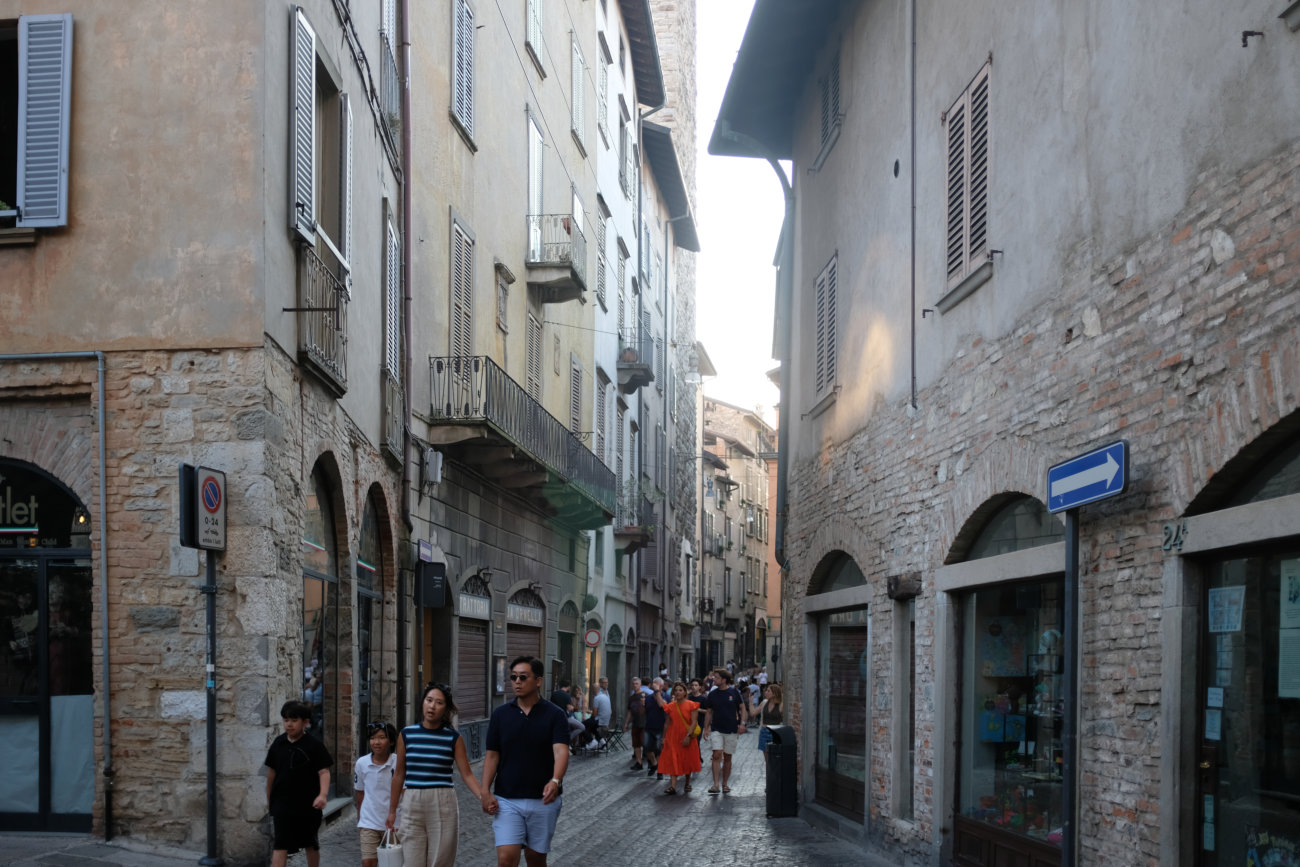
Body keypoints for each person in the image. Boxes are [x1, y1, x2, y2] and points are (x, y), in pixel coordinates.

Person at [481, 656, 570, 867]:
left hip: (543, 799)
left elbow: (561, 752)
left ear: (538, 681)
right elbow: (492, 755)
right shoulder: (501, 715)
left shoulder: (555, 715)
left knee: (535, 858)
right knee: (506, 859)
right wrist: (485, 791)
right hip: (507, 799)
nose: (517, 682)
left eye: (523, 677)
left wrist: (555, 781)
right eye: (513, 677)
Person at [387, 684, 483, 867]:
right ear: (422, 702)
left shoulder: (453, 738)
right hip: (412, 801)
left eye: (439, 703)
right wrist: (392, 811)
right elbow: (399, 775)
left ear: (445, 709)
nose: (432, 706)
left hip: (443, 801)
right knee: (411, 861)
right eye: (429, 700)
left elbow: (467, 774)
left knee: (440, 860)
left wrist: (483, 796)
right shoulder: (407, 734)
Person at [264, 700, 333, 867]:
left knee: (310, 843)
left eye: (294, 720)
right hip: (282, 802)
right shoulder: (278, 744)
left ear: (305, 722)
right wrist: (269, 799)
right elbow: (271, 773)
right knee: (280, 844)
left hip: (308, 803)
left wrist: (323, 795)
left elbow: (324, 771)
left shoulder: (314, 745)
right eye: (286, 720)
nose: (289, 724)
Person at [354, 721, 398, 867]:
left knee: (393, 863)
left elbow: (405, 793)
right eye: (373, 738)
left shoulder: (398, 763)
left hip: (395, 824)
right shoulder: (362, 763)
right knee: (368, 862)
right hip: (369, 822)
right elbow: (360, 793)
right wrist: (361, 818)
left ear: (391, 741)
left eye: (381, 738)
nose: (376, 742)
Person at [700, 668, 748, 794]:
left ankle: (725, 783)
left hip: (731, 729)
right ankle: (715, 784)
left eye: (716, 677)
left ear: (724, 680)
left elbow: (743, 708)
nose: (713, 679)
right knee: (716, 754)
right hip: (717, 728)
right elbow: (709, 712)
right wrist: (706, 728)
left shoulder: (734, 692)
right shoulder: (713, 694)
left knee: (727, 757)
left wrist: (742, 724)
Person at [654, 682, 701, 794]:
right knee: (672, 758)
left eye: (680, 690)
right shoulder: (671, 706)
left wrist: (688, 736)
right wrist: (664, 738)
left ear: (685, 692)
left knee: (687, 759)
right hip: (673, 736)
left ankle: (687, 782)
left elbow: (694, 722)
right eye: (676, 690)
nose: (678, 692)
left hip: (686, 735)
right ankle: (673, 786)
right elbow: (667, 723)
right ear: (673, 692)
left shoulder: (692, 705)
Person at [751, 683, 784, 759]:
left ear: (774, 693)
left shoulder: (781, 704)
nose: (766, 692)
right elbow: (753, 713)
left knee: (775, 758)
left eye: (768, 691)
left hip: (775, 732)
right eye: (766, 691)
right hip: (764, 731)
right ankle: (768, 771)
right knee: (767, 759)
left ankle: (774, 771)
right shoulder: (764, 702)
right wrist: (750, 701)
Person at [642, 677, 667, 780]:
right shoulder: (648, 698)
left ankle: (660, 771)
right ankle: (654, 764)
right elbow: (644, 712)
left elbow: (662, 705)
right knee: (647, 749)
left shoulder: (666, 696)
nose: (654, 686)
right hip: (649, 726)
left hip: (661, 727)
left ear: (661, 686)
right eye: (653, 684)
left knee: (659, 750)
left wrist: (657, 692)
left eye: (656, 684)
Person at [624, 679, 647, 770]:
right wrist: (626, 723)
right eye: (633, 684)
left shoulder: (645, 696)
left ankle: (651, 761)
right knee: (636, 744)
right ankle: (639, 762)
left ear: (640, 684)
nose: (635, 685)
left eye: (637, 683)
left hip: (644, 723)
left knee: (645, 743)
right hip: (635, 723)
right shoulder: (631, 698)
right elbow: (629, 711)